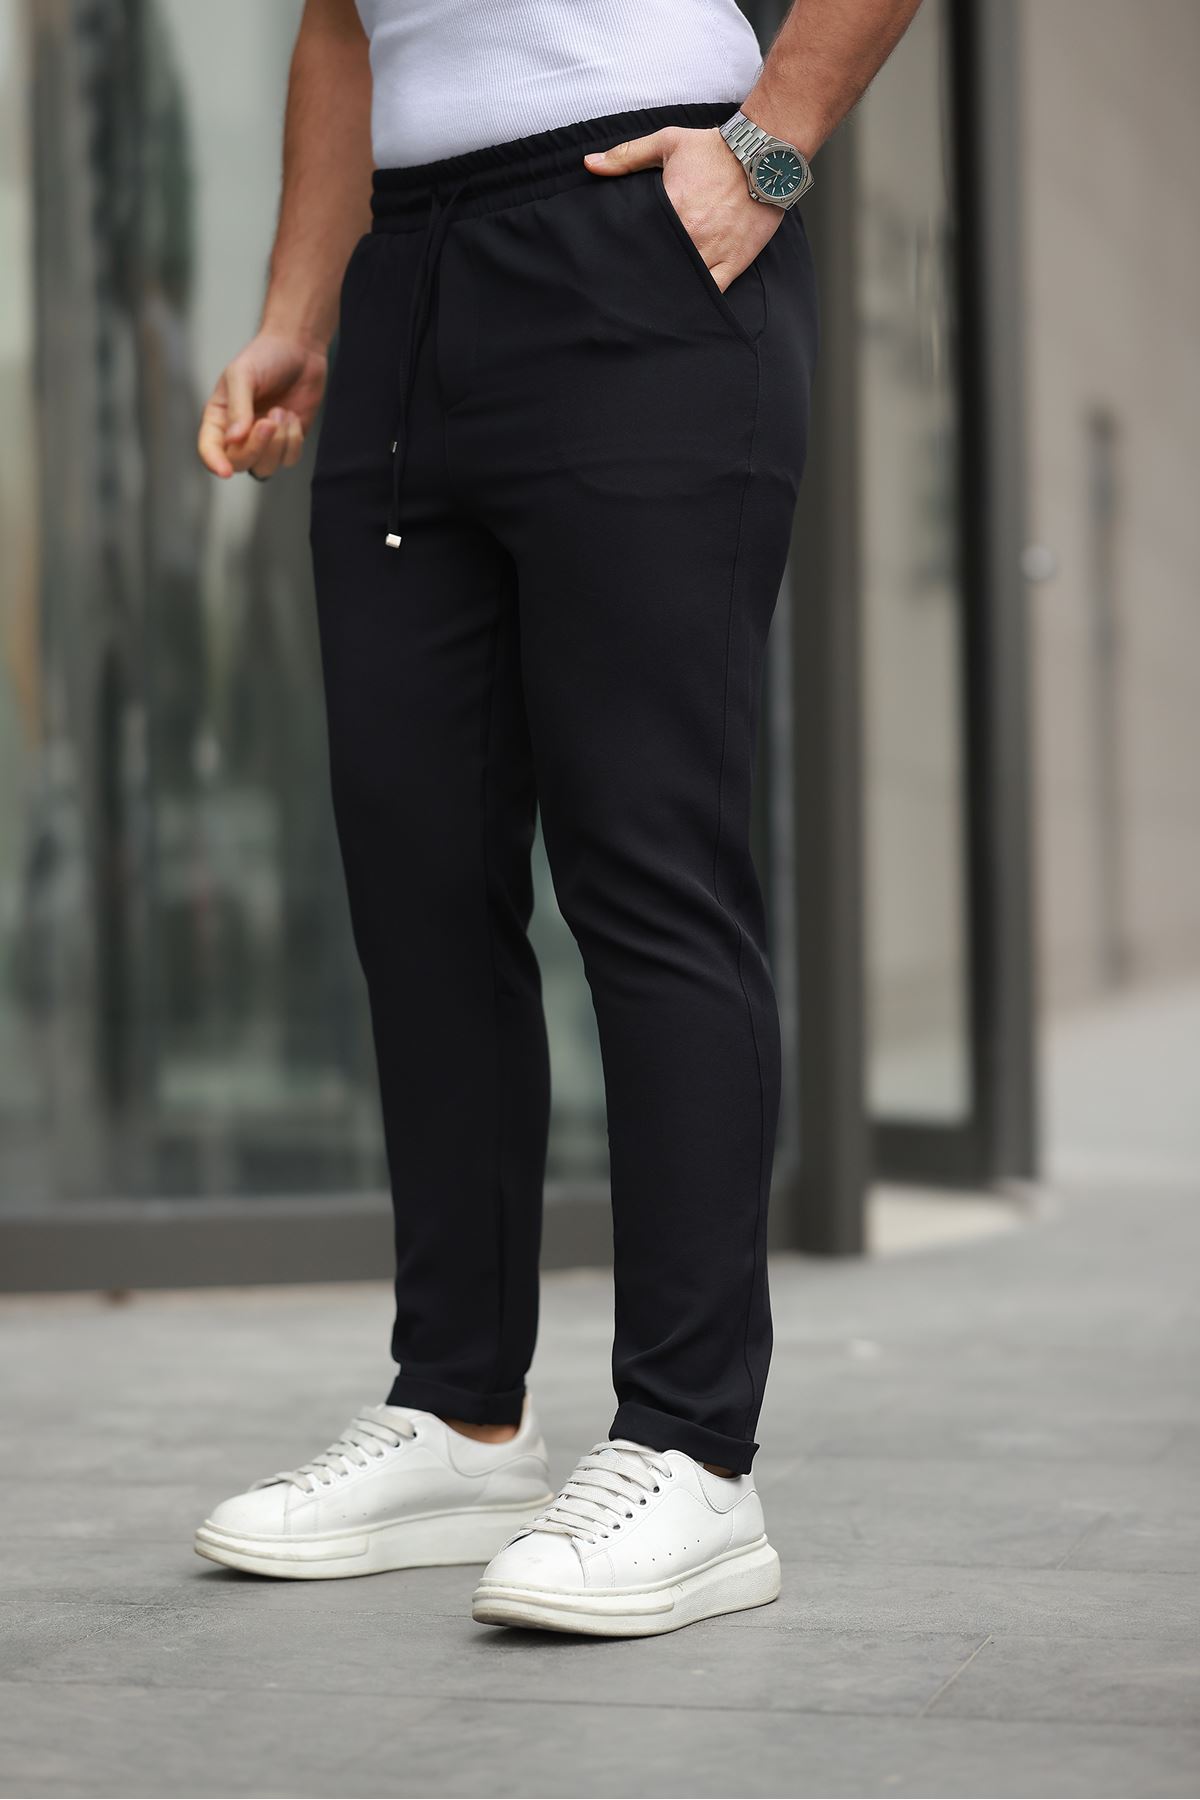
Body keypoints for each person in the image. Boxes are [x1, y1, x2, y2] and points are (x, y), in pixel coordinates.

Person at [194, 0, 920, 1637]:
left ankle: (693, 1450)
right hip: (406, 279)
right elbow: (340, 25)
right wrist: (300, 312)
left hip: (639, 238)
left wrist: (768, 149)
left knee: (649, 864)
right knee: (418, 876)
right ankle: (460, 1415)